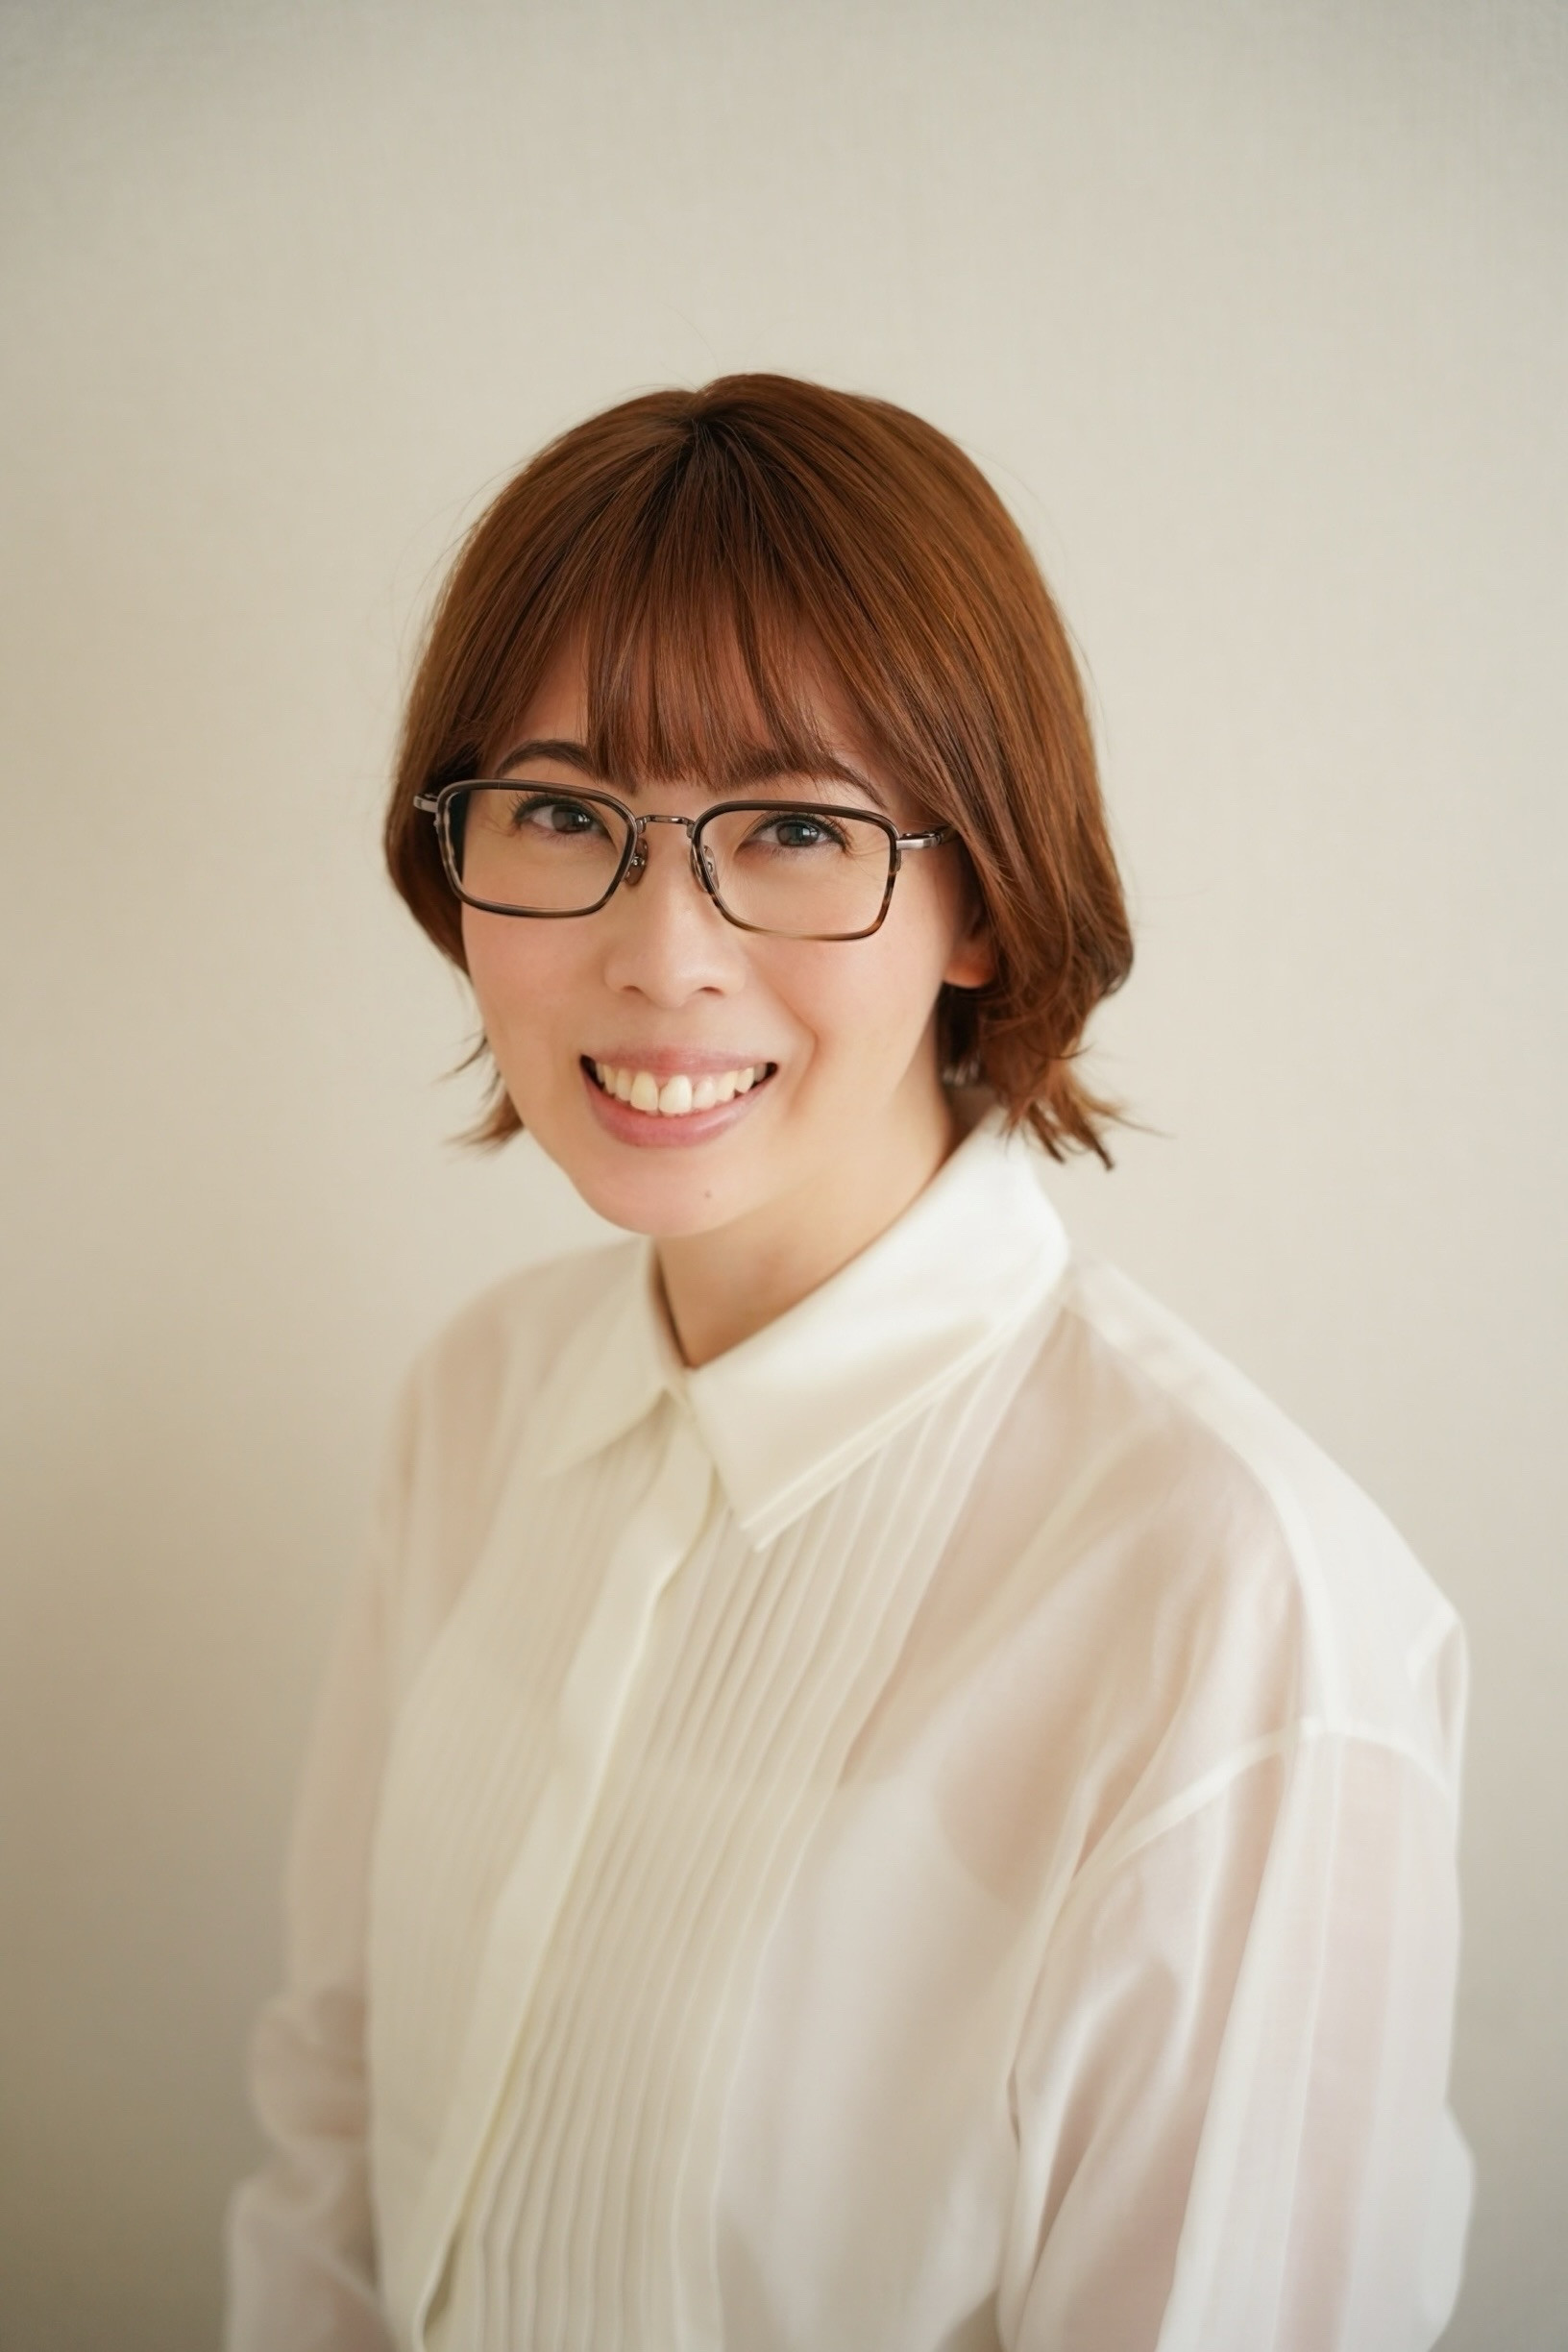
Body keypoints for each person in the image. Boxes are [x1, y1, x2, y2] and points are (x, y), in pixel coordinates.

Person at [226, 375, 1471, 2352]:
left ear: (980, 898)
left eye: (796, 829)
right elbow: (335, 2133)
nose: (663, 952)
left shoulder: (1237, 1608)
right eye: (562, 813)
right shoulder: (479, 1401)